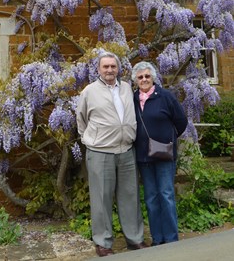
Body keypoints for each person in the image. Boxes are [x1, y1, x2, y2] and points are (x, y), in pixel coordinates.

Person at [76, 52, 148, 257]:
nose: (109, 70)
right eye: (105, 66)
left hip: (126, 150)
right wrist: (90, 139)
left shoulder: (126, 88)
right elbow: (81, 119)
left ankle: (134, 238)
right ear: (98, 69)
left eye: (112, 67)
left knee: (130, 197)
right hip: (100, 152)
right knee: (101, 199)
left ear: (118, 68)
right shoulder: (89, 91)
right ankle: (103, 242)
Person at [131, 61, 188, 246]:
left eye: (147, 76)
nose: (144, 79)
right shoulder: (131, 99)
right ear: (136, 80)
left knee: (166, 194)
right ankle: (157, 239)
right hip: (143, 157)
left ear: (153, 77)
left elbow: (181, 121)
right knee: (151, 198)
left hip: (164, 155)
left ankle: (171, 239)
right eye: (140, 77)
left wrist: (168, 139)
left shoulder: (165, 96)